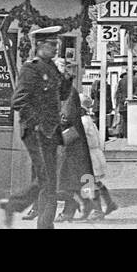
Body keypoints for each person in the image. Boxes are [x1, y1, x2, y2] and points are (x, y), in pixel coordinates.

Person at [1, 26, 72, 229]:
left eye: (57, 44)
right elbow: (18, 101)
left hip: (51, 132)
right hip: (36, 132)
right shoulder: (31, 69)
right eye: (51, 44)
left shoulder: (52, 68)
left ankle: (15, 204)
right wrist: (37, 123)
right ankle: (44, 225)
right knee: (48, 181)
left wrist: (66, 77)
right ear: (39, 45)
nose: (56, 48)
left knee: (47, 180)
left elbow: (62, 96)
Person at [57, 75, 95, 220]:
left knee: (68, 180)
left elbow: (65, 117)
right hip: (68, 143)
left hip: (70, 144)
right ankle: (74, 208)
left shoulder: (69, 92)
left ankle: (71, 210)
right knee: (69, 180)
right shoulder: (63, 91)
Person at [78, 94, 117, 219]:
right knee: (94, 181)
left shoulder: (83, 121)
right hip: (94, 154)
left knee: (88, 182)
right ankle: (109, 203)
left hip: (89, 155)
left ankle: (97, 210)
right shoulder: (88, 119)